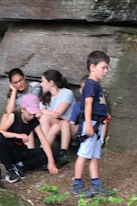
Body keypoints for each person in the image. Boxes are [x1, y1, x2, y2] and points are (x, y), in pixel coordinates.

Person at [0, 93, 60, 183]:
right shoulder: (14, 116)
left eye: (34, 113)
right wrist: (16, 135)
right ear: (22, 109)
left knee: (54, 152)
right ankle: (10, 169)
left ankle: (21, 166)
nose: (32, 116)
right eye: (30, 113)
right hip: (7, 150)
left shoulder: (34, 121)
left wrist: (50, 161)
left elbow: (44, 141)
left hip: (20, 152)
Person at [72, 52, 112, 197]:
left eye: (107, 68)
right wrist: (88, 124)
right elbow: (88, 104)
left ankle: (96, 184)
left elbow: (97, 103)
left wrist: (104, 114)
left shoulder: (95, 85)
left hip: (97, 124)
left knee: (94, 155)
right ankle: (77, 184)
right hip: (92, 124)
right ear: (92, 67)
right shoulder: (90, 84)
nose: (106, 71)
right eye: (103, 67)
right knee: (83, 154)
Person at [37, 69, 75, 159]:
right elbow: (38, 111)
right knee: (44, 117)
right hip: (56, 126)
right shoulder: (47, 96)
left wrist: (44, 111)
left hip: (67, 126)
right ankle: (45, 149)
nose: (41, 84)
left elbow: (58, 113)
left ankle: (44, 150)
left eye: (43, 81)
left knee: (45, 117)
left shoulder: (66, 93)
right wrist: (48, 112)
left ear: (51, 83)